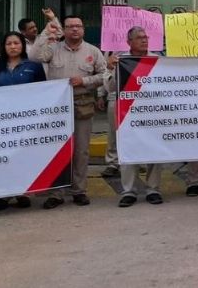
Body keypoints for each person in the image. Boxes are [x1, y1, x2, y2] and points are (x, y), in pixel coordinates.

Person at [31, 15, 107, 209]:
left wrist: (85, 81)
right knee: (57, 150)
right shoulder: (53, 49)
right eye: (70, 26)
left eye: (78, 26)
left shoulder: (93, 51)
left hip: (82, 104)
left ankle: (79, 190)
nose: (75, 29)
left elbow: (104, 75)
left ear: (83, 29)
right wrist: (45, 33)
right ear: (63, 30)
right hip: (56, 107)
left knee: (81, 150)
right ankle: (56, 192)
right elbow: (34, 56)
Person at [102, 27, 173, 207]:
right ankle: (129, 191)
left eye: (146, 37)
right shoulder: (120, 60)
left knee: (154, 150)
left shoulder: (157, 60)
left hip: (153, 112)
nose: (144, 40)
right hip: (129, 114)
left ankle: (153, 189)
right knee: (129, 150)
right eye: (139, 38)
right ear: (129, 42)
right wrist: (112, 68)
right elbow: (110, 88)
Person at [0, 31, 47, 210]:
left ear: (22, 46)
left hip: (26, 120)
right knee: (2, 158)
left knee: (22, 157)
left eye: (16, 43)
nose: (13, 47)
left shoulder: (34, 66)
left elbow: (43, 91)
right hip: (1, 120)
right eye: (9, 44)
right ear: (3, 47)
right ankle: (2, 195)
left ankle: (22, 192)